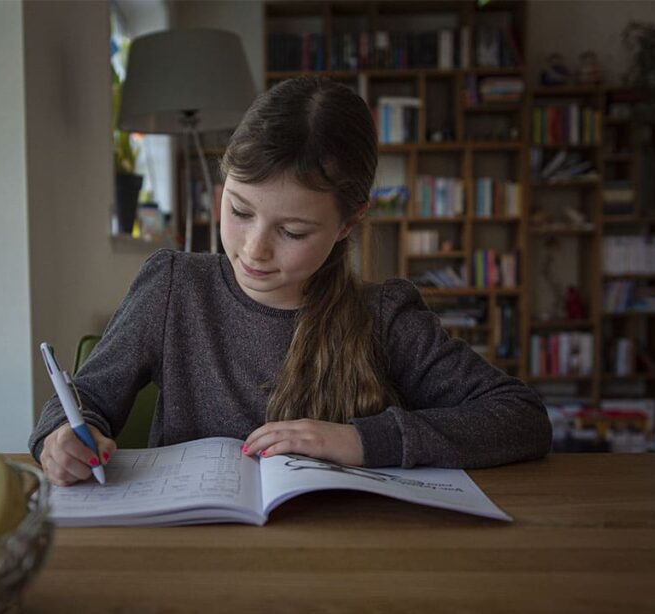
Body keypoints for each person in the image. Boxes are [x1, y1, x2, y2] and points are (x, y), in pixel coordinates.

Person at [29, 76, 551, 486]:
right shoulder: (173, 287)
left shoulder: (383, 317)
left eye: (294, 230)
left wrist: (362, 441)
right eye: (239, 210)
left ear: (347, 223)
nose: (254, 249)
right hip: (190, 556)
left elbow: (521, 418)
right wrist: (62, 438)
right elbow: (82, 398)